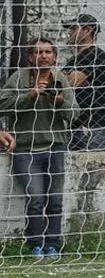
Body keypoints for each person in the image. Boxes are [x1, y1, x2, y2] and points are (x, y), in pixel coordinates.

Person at [0, 38, 78, 261]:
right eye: (37, 52)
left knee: (54, 200)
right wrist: (30, 95)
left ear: (54, 57)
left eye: (47, 52)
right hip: (25, 150)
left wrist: (60, 101)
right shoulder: (19, 78)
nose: (42, 56)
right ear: (30, 57)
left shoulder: (60, 79)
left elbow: (75, 114)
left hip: (55, 148)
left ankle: (53, 244)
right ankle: (35, 244)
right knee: (35, 197)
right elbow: (2, 104)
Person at [62, 14, 105, 151]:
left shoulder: (96, 55)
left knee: (98, 169)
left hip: (95, 127)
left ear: (87, 30)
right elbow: (58, 83)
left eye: (74, 28)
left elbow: (70, 83)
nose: (70, 32)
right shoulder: (73, 60)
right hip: (76, 126)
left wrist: (65, 80)